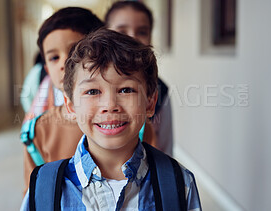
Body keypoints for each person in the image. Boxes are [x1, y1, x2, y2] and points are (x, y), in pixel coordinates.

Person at [20, 28, 201, 210]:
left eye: (126, 90)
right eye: (92, 91)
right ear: (71, 105)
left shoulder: (180, 184)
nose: (110, 105)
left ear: (150, 103)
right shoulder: (44, 188)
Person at [20, 7, 157, 193]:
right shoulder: (36, 131)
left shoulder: (136, 126)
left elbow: (158, 180)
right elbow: (35, 195)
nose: (64, 64)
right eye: (54, 57)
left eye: (75, 52)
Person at [105, 1, 174, 156]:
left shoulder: (160, 91)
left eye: (142, 32)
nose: (132, 38)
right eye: (122, 31)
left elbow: (166, 147)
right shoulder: (87, 86)